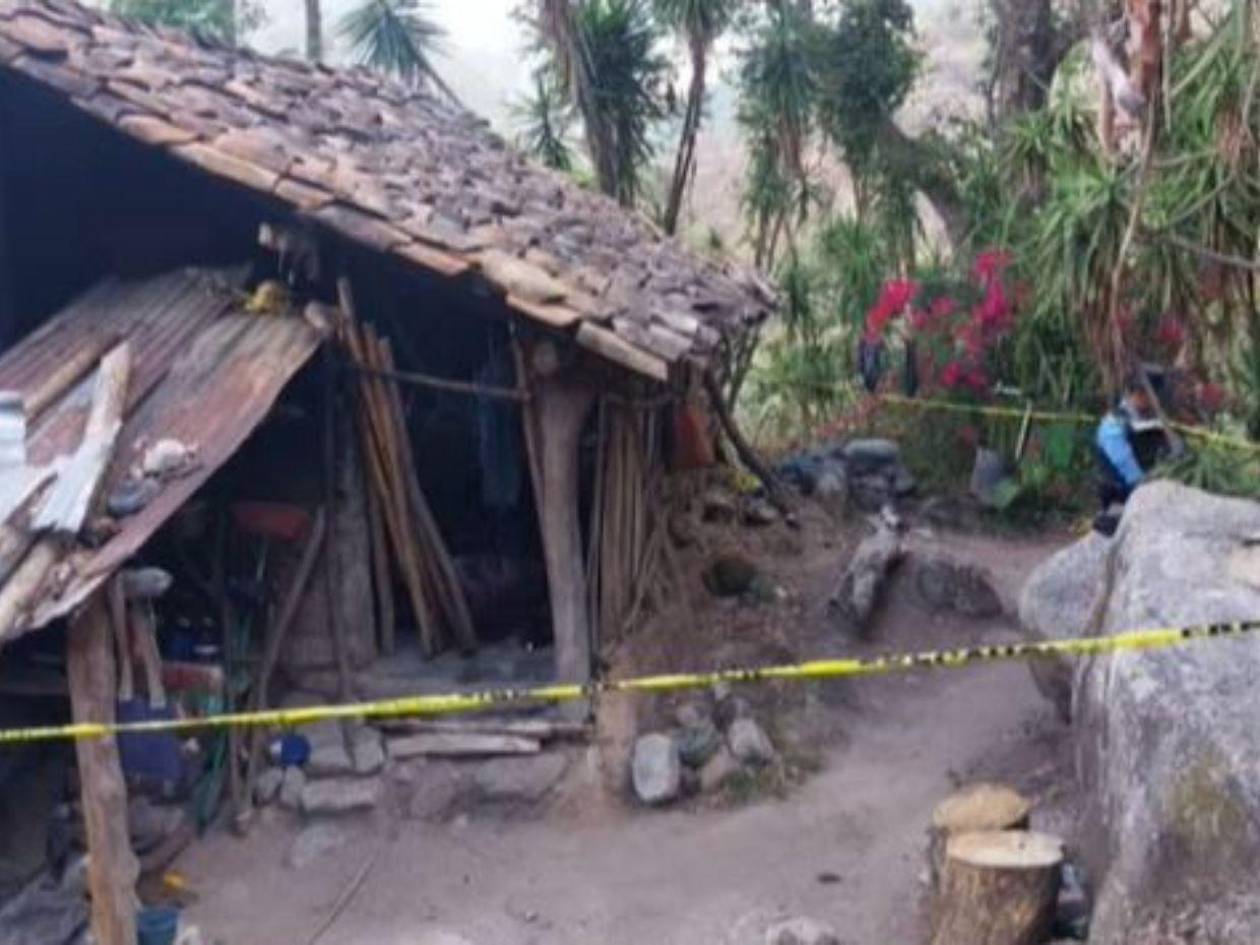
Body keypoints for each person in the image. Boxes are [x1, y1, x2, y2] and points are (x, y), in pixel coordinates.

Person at [1094, 369, 1181, 534]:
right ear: (1138, 394)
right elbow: (1124, 464)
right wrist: (1147, 487)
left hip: (1151, 490)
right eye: (1152, 396)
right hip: (1121, 495)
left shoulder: (1155, 420)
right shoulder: (1114, 424)